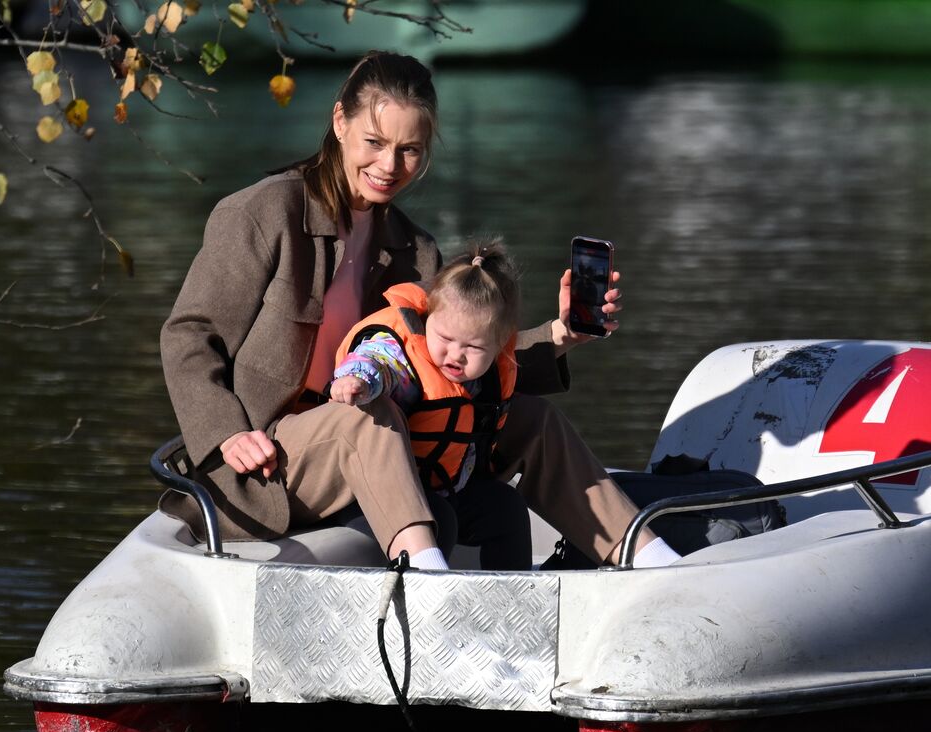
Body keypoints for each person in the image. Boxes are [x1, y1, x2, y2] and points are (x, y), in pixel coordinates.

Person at [160, 50, 678, 571]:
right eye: (375, 142)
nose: (389, 166)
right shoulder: (263, 214)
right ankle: (433, 583)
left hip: (384, 444)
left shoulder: (415, 249)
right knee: (369, 414)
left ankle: (651, 561)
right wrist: (228, 433)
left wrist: (561, 335)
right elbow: (189, 333)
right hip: (267, 461)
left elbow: (451, 355)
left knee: (534, 419)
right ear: (339, 122)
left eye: (409, 150)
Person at [327, 240, 534, 570]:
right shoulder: (408, 357)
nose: (455, 355)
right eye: (446, 339)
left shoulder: (488, 373)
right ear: (428, 320)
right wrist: (358, 380)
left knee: (505, 506)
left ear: (498, 345)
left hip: (441, 488)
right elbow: (380, 361)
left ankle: (514, 596)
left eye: (472, 347)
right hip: (372, 498)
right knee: (440, 519)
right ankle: (425, 609)